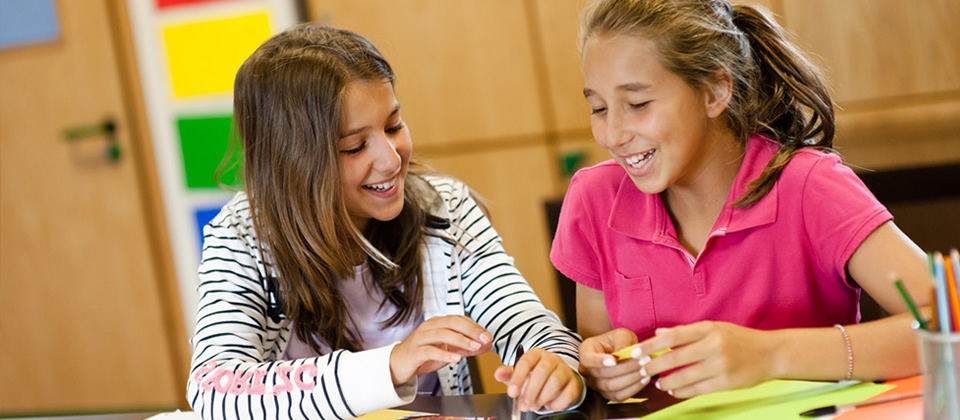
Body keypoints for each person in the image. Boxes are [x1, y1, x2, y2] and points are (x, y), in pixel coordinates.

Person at [186, 24, 584, 419]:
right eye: (355, 146)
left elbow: (529, 326)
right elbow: (214, 390)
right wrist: (391, 364)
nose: (392, 160)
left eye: (393, 126)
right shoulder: (240, 237)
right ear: (291, 163)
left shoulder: (444, 207)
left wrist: (555, 365)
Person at [550, 0, 933, 402]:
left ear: (716, 90)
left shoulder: (809, 186)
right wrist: (602, 370)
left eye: (638, 104)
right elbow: (597, 362)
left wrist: (769, 355)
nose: (612, 134)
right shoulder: (594, 199)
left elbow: (951, 324)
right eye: (598, 108)